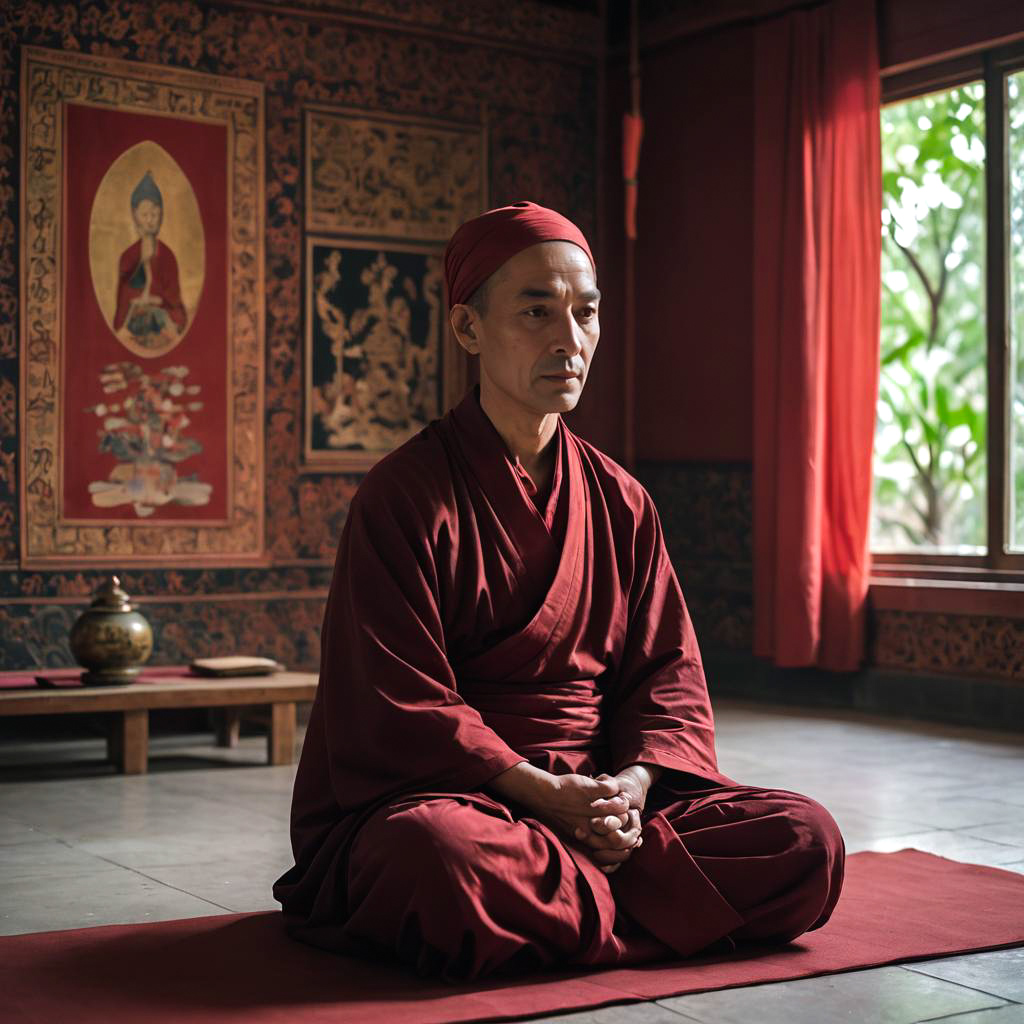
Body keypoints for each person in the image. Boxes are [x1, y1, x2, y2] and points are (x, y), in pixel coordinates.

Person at [274, 201, 845, 981]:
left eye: (586, 313)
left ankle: (571, 912)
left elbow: (668, 681)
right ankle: (653, 909)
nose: (568, 341)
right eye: (537, 311)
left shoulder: (622, 500)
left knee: (807, 838)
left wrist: (629, 791)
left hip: (606, 799)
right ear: (468, 329)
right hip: (470, 799)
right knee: (437, 860)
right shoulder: (401, 498)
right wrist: (544, 797)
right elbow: (399, 704)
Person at [113, 170, 187, 349]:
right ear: (134, 215)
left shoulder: (168, 256)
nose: (150, 220)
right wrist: (140, 261)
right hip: (133, 318)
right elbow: (125, 294)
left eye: (154, 215)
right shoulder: (129, 255)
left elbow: (174, 300)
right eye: (144, 215)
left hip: (161, 317)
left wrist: (158, 302)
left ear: (161, 216)